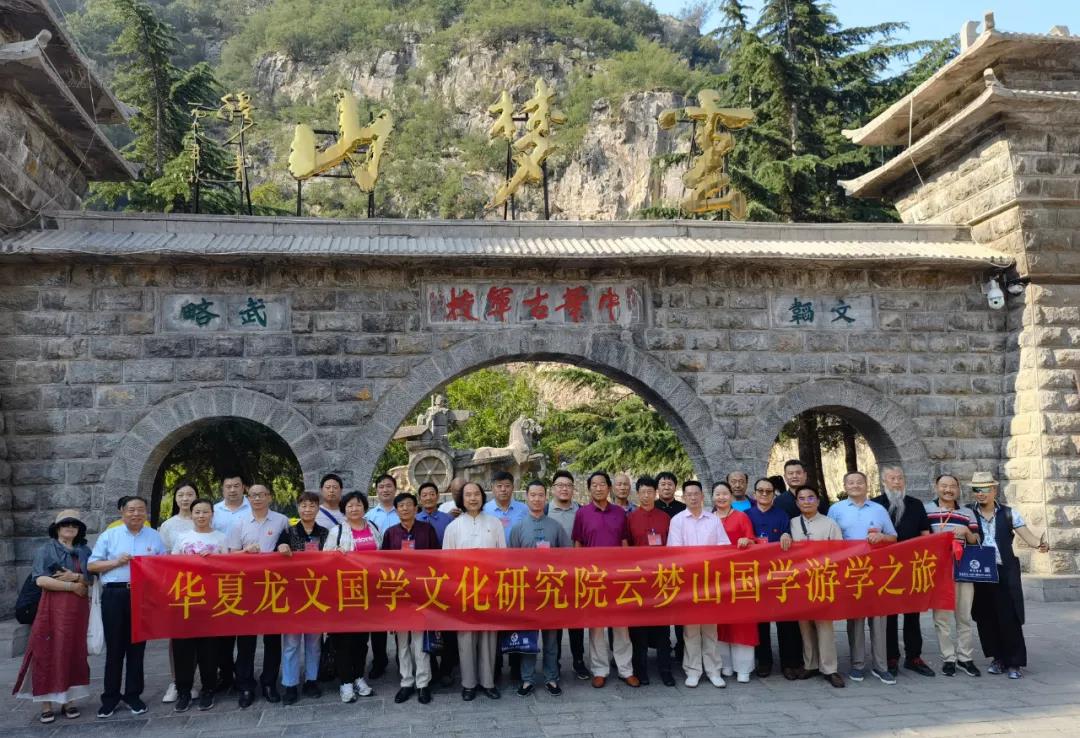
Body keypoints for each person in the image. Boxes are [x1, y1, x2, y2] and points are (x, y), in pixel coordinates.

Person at [89, 496, 167, 718]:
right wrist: (116, 562)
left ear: (146, 512)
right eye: (131, 510)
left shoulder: (154, 536)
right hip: (115, 594)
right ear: (122, 512)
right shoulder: (110, 535)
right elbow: (92, 565)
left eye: (140, 509)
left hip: (142, 596)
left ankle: (133, 695)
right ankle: (110, 697)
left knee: (137, 648)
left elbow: (164, 565)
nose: (136, 514)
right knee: (114, 649)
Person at [13, 509, 92, 724]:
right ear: (57, 528)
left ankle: (69, 700)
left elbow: (91, 579)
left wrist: (76, 577)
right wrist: (72, 586)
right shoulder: (46, 550)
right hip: (52, 609)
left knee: (73, 652)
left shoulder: (84, 551)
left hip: (78, 611)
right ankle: (46, 704)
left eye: (74, 525)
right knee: (47, 652)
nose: (70, 528)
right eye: (66, 524)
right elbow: (40, 580)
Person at [968, 472, 1048, 679]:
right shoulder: (968, 513)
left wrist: (1039, 544)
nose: (980, 493)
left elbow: (1028, 536)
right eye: (976, 489)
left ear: (994, 490)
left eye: (985, 489)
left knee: (1009, 616)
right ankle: (997, 658)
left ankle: (1014, 662)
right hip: (979, 572)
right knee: (985, 617)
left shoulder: (1009, 513)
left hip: (1004, 570)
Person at [829, 471, 898, 685]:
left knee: (879, 620)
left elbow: (894, 537)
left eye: (859, 482)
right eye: (851, 482)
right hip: (851, 572)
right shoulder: (836, 509)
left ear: (867, 485)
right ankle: (857, 664)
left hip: (877, 571)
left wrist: (882, 536)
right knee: (855, 620)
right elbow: (829, 541)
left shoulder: (879, 509)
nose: (855, 485)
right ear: (845, 486)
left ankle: (881, 666)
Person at [572, 471, 639, 688]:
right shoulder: (582, 513)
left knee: (621, 626)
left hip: (618, 578)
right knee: (596, 627)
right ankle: (600, 670)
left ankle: (626, 669)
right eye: (594, 485)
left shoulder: (619, 513)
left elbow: (625, 542)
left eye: (602, 484)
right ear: (589, 489)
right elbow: (578, 544)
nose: (598, 488)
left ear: (609, 488)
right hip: (593, 579)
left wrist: (627, 571)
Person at [226, 484, 290, 708]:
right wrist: (246, 552)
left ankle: (269, 683)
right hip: (246, 588)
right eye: (253, 495)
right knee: (246, 640)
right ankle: (245, 685)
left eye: (262, 495)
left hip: (274, 587)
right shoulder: (238, 522)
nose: (257, 498)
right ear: (248, 498)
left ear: (269, 497)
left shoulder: (282, 521)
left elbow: (288, 547)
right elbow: (230, 555)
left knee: (273, 639)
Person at [443, 481, 506, 701]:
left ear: (482, 497)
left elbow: (503, 557)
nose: (472, 498)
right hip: (463, 590)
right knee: (466, 638)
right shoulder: (453, 527)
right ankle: (468, 684)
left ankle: (488, 682)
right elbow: (446, 563)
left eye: (476, 494)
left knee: (488, 636)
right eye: (468, 494)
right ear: (461, 499)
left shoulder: (494, 523)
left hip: (489, 589)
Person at [508, 480, 571, 697]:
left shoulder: (556, 526)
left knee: (552, 639)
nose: (536, 499)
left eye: (540, 495)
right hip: (527, 593)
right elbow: (510, 563)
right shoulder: (517, 528)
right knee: (528, 639)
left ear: (546, 497)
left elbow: (568, 558)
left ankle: (551, 677)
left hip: (551, 593)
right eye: (533, 495)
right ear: (526, 498)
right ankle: (527, 679)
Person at [872, 464, 934, 678]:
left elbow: (925, 534)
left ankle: (914, 657)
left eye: (900, 478)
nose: (897, 482)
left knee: (912, 613)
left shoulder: (916, 504)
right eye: (892, 478)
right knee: (888, 615)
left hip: (912, 567)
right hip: (885, 569)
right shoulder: (875, 505)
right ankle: (891, 657)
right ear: (884, 482)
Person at [668, 480, 730, 688]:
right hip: (688, 583)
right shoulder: (677, 521)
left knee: (710, 629)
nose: (693, 497)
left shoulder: (713, 520)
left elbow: (724, 547)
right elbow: (675, 551)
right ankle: (693, 670)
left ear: (702, 496)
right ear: (684, 497)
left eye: (696, 494)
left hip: (710, 581)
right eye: (689, 494)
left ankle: (714, 670)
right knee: (691, 630)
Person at [382, 492, 441, 705]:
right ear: (396, 510)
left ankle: (423, 683)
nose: (405, 509)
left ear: (416, 508)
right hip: (399, 594)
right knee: (402, 643)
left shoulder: (427, 530)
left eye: (408, 505)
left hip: (422, 592)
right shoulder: (390, 533)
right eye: (401, 506)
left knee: (420, 641)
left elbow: (438, 559)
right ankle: (406, 682)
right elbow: (383, 565)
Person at [171, 498, 228, 712]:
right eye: (197, 512)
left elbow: (229, 567)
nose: (201, 515)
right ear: (191, 514)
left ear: (212, 514)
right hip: (186, 599)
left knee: (209, 648)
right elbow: (171, 565)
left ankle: (208, 689)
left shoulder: (221, 538)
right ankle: (183, 691)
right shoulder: (182, 537)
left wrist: (213, 559)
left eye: (205, 511)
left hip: (212, 599)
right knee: (183, 648)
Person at [324, 491, 381, 702]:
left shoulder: (373, 528)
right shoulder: (337, 531)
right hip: (344, 593)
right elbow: (324, 560)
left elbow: (383, 556)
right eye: (349, 506)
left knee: (361, 640)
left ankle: (358, 677)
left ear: (364, 507)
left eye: (358, 505)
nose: (354, 509)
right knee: (343, 640)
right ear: (344, 509)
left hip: (368, 593)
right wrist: (335, 555)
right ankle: (345, 682)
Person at [924, 474, 982, 678]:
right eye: (944, 486)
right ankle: (948, 658)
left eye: (952, 486)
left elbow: (976, 540)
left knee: (964, 616)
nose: (948, 490)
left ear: (958, 489)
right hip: (939, 571)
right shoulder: (926, 510)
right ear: (936, 487)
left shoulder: (967, 512)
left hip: (963, 569)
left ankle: (965, 658)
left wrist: (966, 531)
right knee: (941, 618)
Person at [788, 487, 846, 688]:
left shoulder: (830, 524)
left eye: (810, 498)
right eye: (802, 498)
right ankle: (810, 664)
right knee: (805, 625)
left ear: (818, 501)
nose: (806, 502)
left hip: (823, 580)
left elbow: (840, 553)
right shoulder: (792, 523)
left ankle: (829, 668)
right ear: (797, 503)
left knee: (824, 626)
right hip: (800, 581)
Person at [275, 491, 329, 704]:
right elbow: (276, 557)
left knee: (314, 641)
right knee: (291, 642)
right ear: (298, 508)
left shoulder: (325, 533)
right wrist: (281, 548)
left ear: (318, 508)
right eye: (304, 506)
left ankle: (311, 680)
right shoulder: (287, 532)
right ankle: (290, 684)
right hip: (293, 595)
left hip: (317, 594)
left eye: (312, 506)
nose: (307, 509)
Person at [746, 477, 800, 679]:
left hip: (780, 574)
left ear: (774, 494)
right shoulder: (746, 515)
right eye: (760, 491)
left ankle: (789, 663)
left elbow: (789, 534)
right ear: (754, 494)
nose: (764, 494)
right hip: (755, 575)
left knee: (785, 621)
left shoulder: (782, 514)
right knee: (760, 621)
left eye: (768, 491)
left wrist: (787, 535)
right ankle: (764, 661)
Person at [625, 475, 674, 687]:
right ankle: (641, 670)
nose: (646, 496)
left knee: (663, 628)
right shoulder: (630, 518)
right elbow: (625, 546)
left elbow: (673, 546)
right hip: (638, 579)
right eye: (642, 492)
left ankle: (665, 670)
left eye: (650, 492)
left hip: (661, 578)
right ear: (637, 494)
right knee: (639, 629)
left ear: (655, 493)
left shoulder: (665, 517)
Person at [711, 481, 758, 683]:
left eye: (725, 493)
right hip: (716, 578)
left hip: (740, 576)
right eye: (717, 494)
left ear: (731, 496)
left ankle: (744, 668)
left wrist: (747, 541)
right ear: (712, 497)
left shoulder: (741, 517)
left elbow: (753, 540)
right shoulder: (708, 519)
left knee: (742, 622)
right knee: (720, 622)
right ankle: (725, 665)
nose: (721, 497)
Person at [158, 480, 198, 705]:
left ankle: (195, 681)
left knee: (200, 636)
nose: (185, 499)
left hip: (204, 587)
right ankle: (176, 681)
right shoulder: (168, 526)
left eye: (190, 494)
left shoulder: (205, 519)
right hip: (178, 587)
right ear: (175, 498)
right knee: (177, 637)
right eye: (181, 494)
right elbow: (162, 557)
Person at [211, 472, 249, 693]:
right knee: (222, 630)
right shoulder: (213, 511)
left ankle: (243, 676)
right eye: (228, 486)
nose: (232, 490)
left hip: (247, 578)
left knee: (245, 632)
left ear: (243, 487)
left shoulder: (253, 508)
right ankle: (225, 674)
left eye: (236, 485)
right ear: (222, 489)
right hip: (220, 578)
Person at [547, 470, 587, 680]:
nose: (564, 489)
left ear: (573, 489)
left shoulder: (581, 511)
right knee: (554, 623)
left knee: (576, 622)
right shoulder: (545, 511)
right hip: (551, 576)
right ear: (553, 489)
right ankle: (554, 663)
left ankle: (578, 661)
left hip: (576, 576)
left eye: (568, 485)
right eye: (560, 485)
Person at [653, 470, 685, 662]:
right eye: (663, 484)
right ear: (657, 488)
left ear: (675, 487)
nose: (666, 487)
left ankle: (682, 647)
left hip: (681, 568)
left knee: (682, 610)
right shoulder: (652, 508)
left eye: (670, 484)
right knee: (661, 610)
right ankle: (662, 648)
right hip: (657, 569)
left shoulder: (683, 509)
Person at [483, 470, 529, 544]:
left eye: (507, 486)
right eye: (499, 486)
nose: (503, 489)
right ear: (492, 488)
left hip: (517, 550)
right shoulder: (484, 510)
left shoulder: (524, 509)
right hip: (493, 551)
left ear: (513, 488)